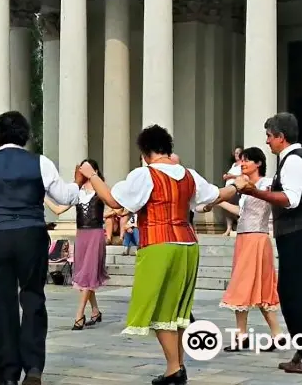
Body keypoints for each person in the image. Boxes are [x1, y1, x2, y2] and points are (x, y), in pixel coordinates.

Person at [80, 125, 238, 385]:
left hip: (158, 243)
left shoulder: (145, 175)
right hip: (187, 244)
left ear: (145, 152)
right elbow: (217, 194)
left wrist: (92, 175)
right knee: (179, 309)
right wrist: (237, 185)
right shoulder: (189, 174)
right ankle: (176, 367)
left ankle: (175, 369)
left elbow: (112, 201)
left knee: (160, 308)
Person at [0, 111, 81, 385]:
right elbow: (64, 196)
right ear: (26, 135)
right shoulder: (40, 162)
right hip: (31, 236)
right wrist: (78, 183)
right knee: (33, 298)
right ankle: (33, 368)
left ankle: (8, 375)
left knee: (2, 305)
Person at [236, 112, 302, 374]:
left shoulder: (294, 161)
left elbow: (291, 198)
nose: (267, 142)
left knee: (295, 295)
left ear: (281, 137)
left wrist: (254, 192)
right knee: (293, 294)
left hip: (298, 231)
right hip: (293, 232)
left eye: (269, 136)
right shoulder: (291, 159)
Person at [207, 147, 283, 351]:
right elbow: (242, 212)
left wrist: (244, 186)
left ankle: (271, 334)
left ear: (258, 163)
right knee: (246, 286)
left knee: (255, 286)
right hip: (244, 238)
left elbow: (274, 200)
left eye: (247, 160)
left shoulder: (267, 184)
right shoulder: (242, 188)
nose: (243, 163)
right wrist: (218, 203)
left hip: (257, 238)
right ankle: (257, 335)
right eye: (242, 160)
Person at [44, 158, 108, 330]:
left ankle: (79, 315)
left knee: (88, 273)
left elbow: (115, 205)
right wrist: (42, 196)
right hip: (82, 234)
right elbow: (58, 210)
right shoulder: (77, 191)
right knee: (84, 274)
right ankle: (95, 311)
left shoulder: (100, 189)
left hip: (95, 233)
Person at [220, 146, 243, 236]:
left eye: (238, 153)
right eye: (235, 153)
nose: (236, 154)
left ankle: (238, 225)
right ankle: (228, 228)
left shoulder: (243, 164)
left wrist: (231, 176)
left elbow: (241, 176)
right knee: (227, 209)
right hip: (228, 188)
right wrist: (226, 176)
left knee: (235, 207)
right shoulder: (234, 165)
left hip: (236, 189)